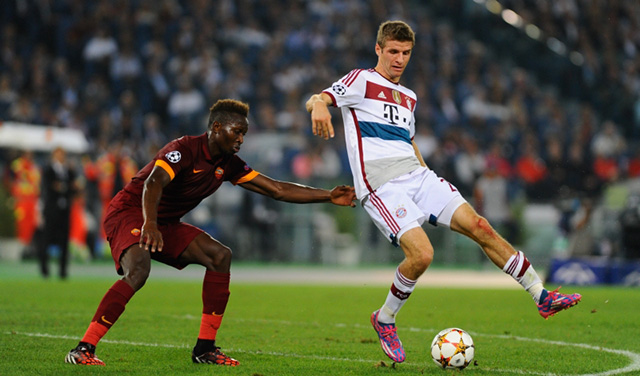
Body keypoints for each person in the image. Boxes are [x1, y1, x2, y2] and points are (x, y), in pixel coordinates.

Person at [305, 20, 581, 364]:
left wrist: (424, 173)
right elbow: (322, 97)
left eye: (406, 53)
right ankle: (385, 318)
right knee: (422, 255)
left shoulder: (409, 97)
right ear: (378, 49)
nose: (399, 59)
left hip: (417, 174)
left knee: (480, 226)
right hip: (381, 185)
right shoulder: (361, 79)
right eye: (392, 51)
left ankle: (541, 296)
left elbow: (408, 141)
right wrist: (318, 105)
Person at [65, 99, 357, 366]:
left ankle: (205, 348)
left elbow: (277, 189)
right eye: (237, 131)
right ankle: (83, 349)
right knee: (139, 269)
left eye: (244, 133)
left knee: (220, 256)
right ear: (217, 128)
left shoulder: (228, 164)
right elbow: (153, 183)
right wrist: (150, 224)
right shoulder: (184, 149)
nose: (241, 139)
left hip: (163, 221)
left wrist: (328, 196)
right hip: (132, 211)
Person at [37, 147, 78, 279]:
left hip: (64, 209)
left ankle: (63, 271)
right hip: (51, 210)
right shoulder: (48, 170)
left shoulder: (68, 171)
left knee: (64, 240)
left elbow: (73, 187)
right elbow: (49, 187)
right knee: (47, 238)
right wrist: (64, 187)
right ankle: (44, 269)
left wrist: (64, 187)